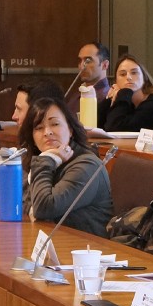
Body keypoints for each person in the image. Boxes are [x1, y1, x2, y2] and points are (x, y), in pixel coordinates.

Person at [20, 96, 114, 236]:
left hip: (86, 245)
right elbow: (25, 205)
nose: (47, 132)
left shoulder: (87, 166)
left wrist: (46, 160)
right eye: (39, 127)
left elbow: (43, 208)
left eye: (55, 124)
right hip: (54, 240)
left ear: (70, 129)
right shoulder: (44, 161)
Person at [0, 78, 65, 206]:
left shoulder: (59, 160)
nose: (14, 116)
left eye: (19, 109)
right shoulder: (26, 151)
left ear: (37, 112)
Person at [99, 54, 153, 132]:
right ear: (116, 81)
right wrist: (109, 98)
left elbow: (115, 129)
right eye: (123, 74)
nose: (128, 77)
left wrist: (124, 93)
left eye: (134, 73)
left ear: (144, 77)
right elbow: (96, 124)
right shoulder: (126, 101)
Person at [66, 42, 110, 116]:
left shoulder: (109, 98)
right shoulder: (75, 94)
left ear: (105, 65)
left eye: (88, 61)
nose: (82, 66)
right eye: (80, 61)